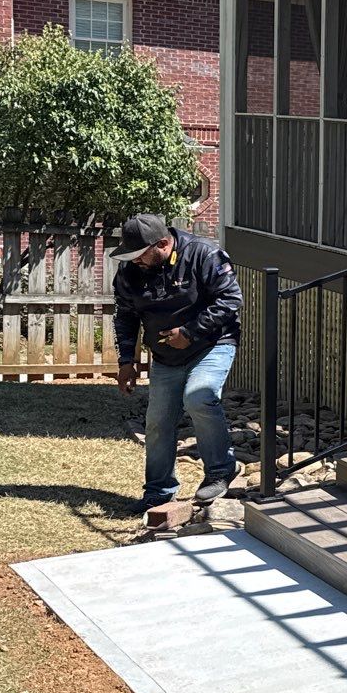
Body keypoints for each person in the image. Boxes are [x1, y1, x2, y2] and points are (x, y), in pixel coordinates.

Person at [111, 212, 243, 520]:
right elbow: (126, 316)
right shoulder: (130, 272)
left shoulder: (203, 254)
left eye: (140, 254)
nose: (135, 261)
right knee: (157, 421)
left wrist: (190, 332)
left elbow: (230, 299)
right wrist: (126, 361)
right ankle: (158, 491)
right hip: (166, 356)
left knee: (199, 395)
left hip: (213, 344)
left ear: (162, 244)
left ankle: (221, 471)